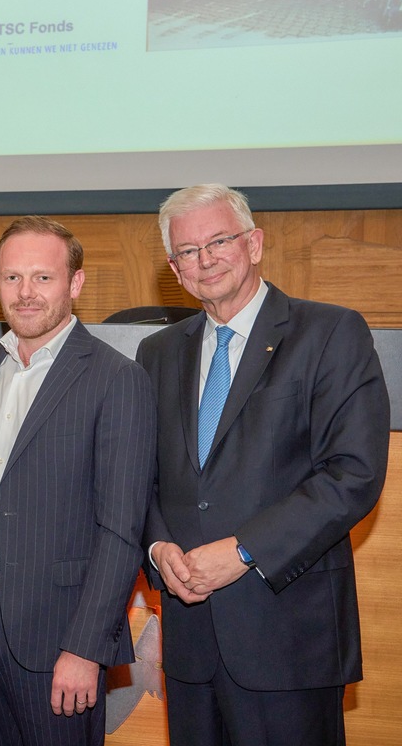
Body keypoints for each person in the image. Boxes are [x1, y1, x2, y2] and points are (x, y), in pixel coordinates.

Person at [137, 184, 389, 746]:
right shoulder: (157, 354)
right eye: (187, 251)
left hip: (288, 637)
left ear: (254, 244)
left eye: (219, 240)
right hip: (191, 638)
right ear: (175, 271)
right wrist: (157, 548)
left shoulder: (329, 333)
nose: (205, 260)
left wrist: (244, 550)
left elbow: (353, 474)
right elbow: (142, 477)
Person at [0, 216, 156, 746]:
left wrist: (87, 647)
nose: (25, 293)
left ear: (76, 283)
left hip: (60, 632)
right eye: (11, 277)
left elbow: (120, 531)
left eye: (42, 277)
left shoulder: (117, 378)